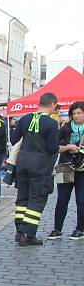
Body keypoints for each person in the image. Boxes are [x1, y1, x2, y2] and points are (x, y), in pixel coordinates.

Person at [11, 92, 72, 246]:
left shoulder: (25, 118)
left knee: (22, 198)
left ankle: (19, 232)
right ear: (52, 104)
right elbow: (52, 148)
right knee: (36, 199)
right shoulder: (51, 123)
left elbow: (13, 140)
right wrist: (67, 147)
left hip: (23, 163)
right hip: (40, 166)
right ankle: (29, 234)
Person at [48, 101, 84, 240]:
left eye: (79, 113)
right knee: (62, 199)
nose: (76, 116)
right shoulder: (66, 127)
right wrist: (68, 146)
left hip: (82, 169)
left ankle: (80, 229)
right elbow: (54, 144)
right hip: (66, 166)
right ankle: (57, 229)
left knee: (81, 200)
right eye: (73, 113)